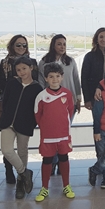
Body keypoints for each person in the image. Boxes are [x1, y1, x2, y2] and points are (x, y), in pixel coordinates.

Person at [0, 57, 42, 199]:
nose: (22, 72)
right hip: (8, 123)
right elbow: (5, 102)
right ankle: (24, 172)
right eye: (18, 70)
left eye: (24, 69)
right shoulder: (12, 84)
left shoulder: (37, 88)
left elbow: (37, 110)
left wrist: (32, 124)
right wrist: (6, 117)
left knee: (22, 152)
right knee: (6, 150)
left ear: (31, 68)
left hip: (25, 124)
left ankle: (20, 184)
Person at [39, 34, 81, 175]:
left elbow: (76, 80)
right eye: (59, 44)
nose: (62, 47)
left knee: (63, 133)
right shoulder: (44, 62)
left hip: (68, 104)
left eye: (64, 44)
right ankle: (52, 162)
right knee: (52, 133)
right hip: (50, 104)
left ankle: (59, 163)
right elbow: (41, 82)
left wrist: (78, 99)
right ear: (53, 45)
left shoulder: (70, 62)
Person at [34, 63, 76, 201]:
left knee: (64, 158)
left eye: (57, 76)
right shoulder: (41, 96)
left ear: (62, 77)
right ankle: (44, 188)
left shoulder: (67, 94)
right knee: (47, 160)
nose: (54, 79)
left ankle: (66, 185)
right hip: (48, 136)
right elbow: (37, 114)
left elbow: (70, 111)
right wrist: (46, 127)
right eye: (51, 77)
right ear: (46, 78)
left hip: (63, 134)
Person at [81, 27, 105, 112]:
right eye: (101, 37)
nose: (103, 39)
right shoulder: (89, 56)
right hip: (96, 95)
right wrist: (87, 99)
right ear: (96, 39)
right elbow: (84, 78)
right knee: (99, 119)